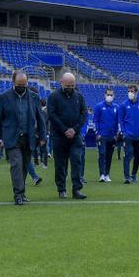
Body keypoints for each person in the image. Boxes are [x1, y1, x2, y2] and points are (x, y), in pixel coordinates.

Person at [0, 70, 40, 205]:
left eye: (24, 84)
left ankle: (22, 192)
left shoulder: (33, 97)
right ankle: (18, 194)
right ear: (13, 82)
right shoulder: (4, 97)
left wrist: (42, 136)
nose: (22, 86)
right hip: (11, 138)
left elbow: (40, 118)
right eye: (19, 84)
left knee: (25, 166)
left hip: (28, 137)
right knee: (16, 164)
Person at [45, 69, 88, 198]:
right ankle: (61, 189)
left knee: (76, 161)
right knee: (60, 164)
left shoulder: (79, 97)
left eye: (72, 86)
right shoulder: (53, 96)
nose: (70, 88)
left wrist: (74, 129)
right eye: (67, 86)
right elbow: (52, 115)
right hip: (59, 136)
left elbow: (83, 114)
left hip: (75, 136)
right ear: (61, 82)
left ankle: (77, 189)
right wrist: (64, 130)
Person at [117, 84, 139, 184]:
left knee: (137, 156)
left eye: (132, 91)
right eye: (129, 91)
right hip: (128, 136)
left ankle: (134, 175)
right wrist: (123, 132)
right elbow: (121, 120)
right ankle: (127, 177)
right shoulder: (123, 105)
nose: (130, 93)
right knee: (127, 155)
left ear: (136, 92)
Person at [93, 86, 122, 182]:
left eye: (111, 95)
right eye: (108, 94)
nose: (109, 96)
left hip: (112, 136)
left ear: (114, 96)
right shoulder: (99, 106)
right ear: (104, 95)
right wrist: (97, 132)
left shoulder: (117, 107)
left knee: (109, 156)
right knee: (102, 154)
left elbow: (119, 121)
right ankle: (101, 174)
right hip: (102, 135)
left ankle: (107, 174)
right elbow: (95, 120)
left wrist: (117, 134)